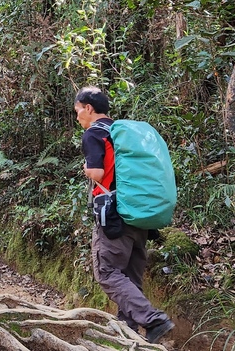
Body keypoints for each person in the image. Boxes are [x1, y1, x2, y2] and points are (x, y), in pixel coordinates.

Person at [76, 86, 174, 343]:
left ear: (88, 108)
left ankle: (154, 319)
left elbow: (97, 174)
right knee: (130, 277)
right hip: (139, 212)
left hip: (114, 215)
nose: (77, 117)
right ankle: (128, 333)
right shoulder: (121, 133)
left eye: (78, 111)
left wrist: (86, 167)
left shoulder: (93, 134)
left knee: (107, 272)